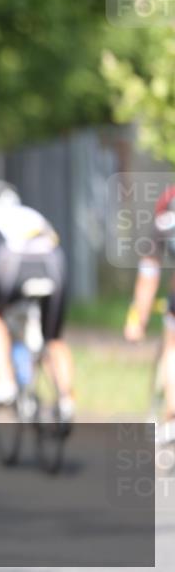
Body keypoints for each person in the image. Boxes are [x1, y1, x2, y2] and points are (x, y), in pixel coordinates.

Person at [0, 180, 75, 421]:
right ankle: (66, 400)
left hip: (13, 264)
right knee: (53, 338)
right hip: (53, 265)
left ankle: (4, 382)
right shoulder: (32, 215)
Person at [125, 184, 175, 441]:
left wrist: (137, 320)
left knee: (171, 348)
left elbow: (148, 276)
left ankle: (173, 414)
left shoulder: (164, 221)